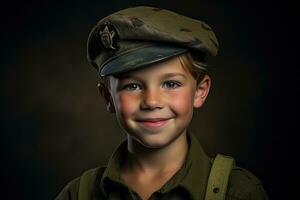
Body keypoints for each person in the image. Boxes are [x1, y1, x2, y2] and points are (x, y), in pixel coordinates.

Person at [55, 6, 269, 200]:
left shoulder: (237, 192)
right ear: (108, 98)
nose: (152, 102)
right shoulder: (78, 194)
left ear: (200, 92)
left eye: (171, 84)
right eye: (133, 86)